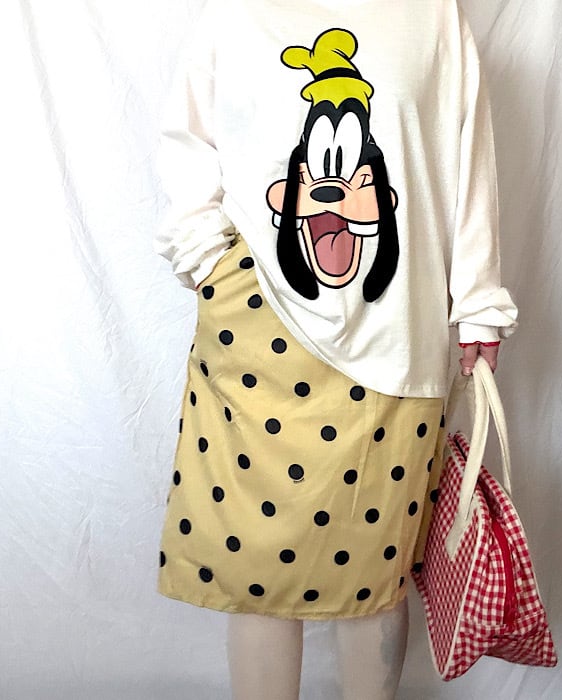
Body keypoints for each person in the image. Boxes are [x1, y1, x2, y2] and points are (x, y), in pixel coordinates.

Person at [154, 1, 518, 698]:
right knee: (258, 568)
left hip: (396, 337)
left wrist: (477, 300)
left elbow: (469, 154)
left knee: (375, 571)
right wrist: (207, 261)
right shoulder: (236, 13)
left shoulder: (432, 15)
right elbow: (187, 138)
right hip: (258, 334)